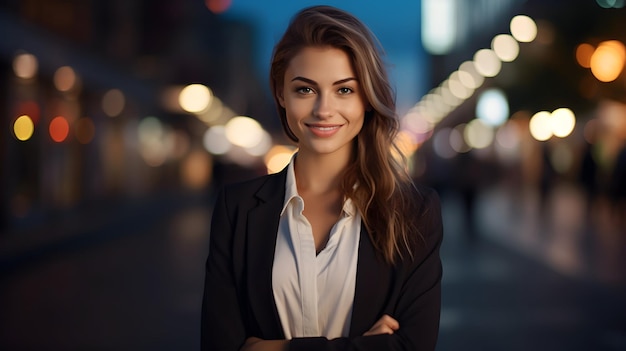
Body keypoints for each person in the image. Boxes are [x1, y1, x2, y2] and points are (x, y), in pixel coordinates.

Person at [201, 5, 443, 351]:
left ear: (367, 100)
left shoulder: (414, 212)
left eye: (344, 90)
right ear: (281, 94)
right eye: (305, 90)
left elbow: (413, 347)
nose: (323, 110)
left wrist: (275, 348)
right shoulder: (236, 207)